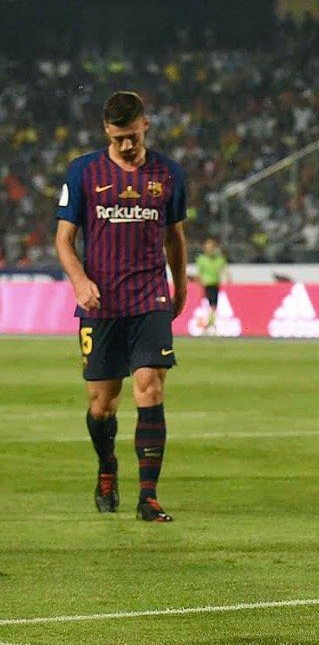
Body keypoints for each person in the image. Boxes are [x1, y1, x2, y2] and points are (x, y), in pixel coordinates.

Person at [55, 91, 188, 523]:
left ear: (145, 124)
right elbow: (64, 238)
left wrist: (180, 284)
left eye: (132, 136)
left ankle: (148, 496)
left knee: (150, 386)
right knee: (102, 404)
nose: (127, 145)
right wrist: (80, 281)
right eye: (118, 138)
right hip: (102, 301)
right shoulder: (83, 172)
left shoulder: (168, 173)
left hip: (149, 297)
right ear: (105, 131)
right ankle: (107, 466)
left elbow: (175, 237)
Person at [195, 238, 228, 336]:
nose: (209, 249)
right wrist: (200, 282)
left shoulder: (219, 259)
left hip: (214, 284)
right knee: (208, 306)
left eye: (211, 247)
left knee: (213, 306)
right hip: (205, 284)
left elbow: (224, 270)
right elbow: (199, 273)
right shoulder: (201, 259)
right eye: (207, 247)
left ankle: (210, 325)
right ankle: (208, 325)